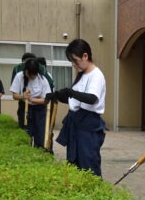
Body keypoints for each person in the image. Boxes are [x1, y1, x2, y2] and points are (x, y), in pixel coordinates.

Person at [48, 38, 107, 175]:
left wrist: (71, 93)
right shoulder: (82, 75)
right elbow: (75, 100)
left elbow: (92, 98)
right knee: (74, 164)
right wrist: (58, 95)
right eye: (72, 61)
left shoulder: (96, 75)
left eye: (76, 60)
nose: (74, 64)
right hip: (76, 122)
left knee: (88, 165)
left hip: (88, 125)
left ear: (85, 56)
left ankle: (94, 193)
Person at [11, 58, 51, 148]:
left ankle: (39, 151)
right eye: (30, 74)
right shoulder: (19, 76)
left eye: (34, 75)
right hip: (24, 109)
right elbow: (14, 95)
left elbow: (46, 99)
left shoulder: (43, 79)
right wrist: (22, 96)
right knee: (26, 134)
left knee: (40, 134)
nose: (32, 77)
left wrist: (32, 99)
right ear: (26, 71)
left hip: (39, 110)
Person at [11, 52, 34, 132]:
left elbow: (14, 90)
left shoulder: (17, 68)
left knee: (24, 128)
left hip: (24, 102)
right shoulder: (39, 67)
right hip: (31, 103)